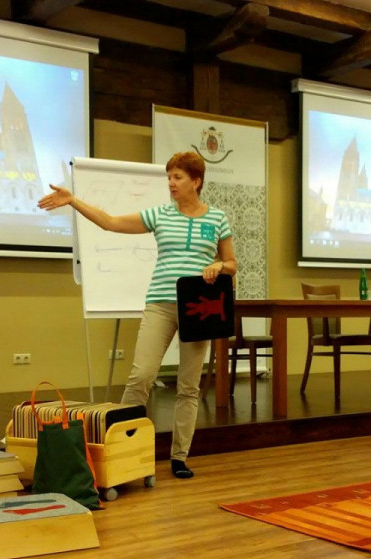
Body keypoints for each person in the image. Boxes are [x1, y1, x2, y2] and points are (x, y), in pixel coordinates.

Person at [38, 151, 237, 479]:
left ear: (196, 181)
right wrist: (73, 201)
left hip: (199, 308)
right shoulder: (159, 214)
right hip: (160, 303)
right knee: (141, 376)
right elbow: (111, 222)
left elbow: (231, 263)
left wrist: (219, 265)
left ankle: (179, 457)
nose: (171, 183)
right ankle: (119, 453)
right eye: (169, 177)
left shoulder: (217, 219)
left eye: (177, 177)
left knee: (189, 386)